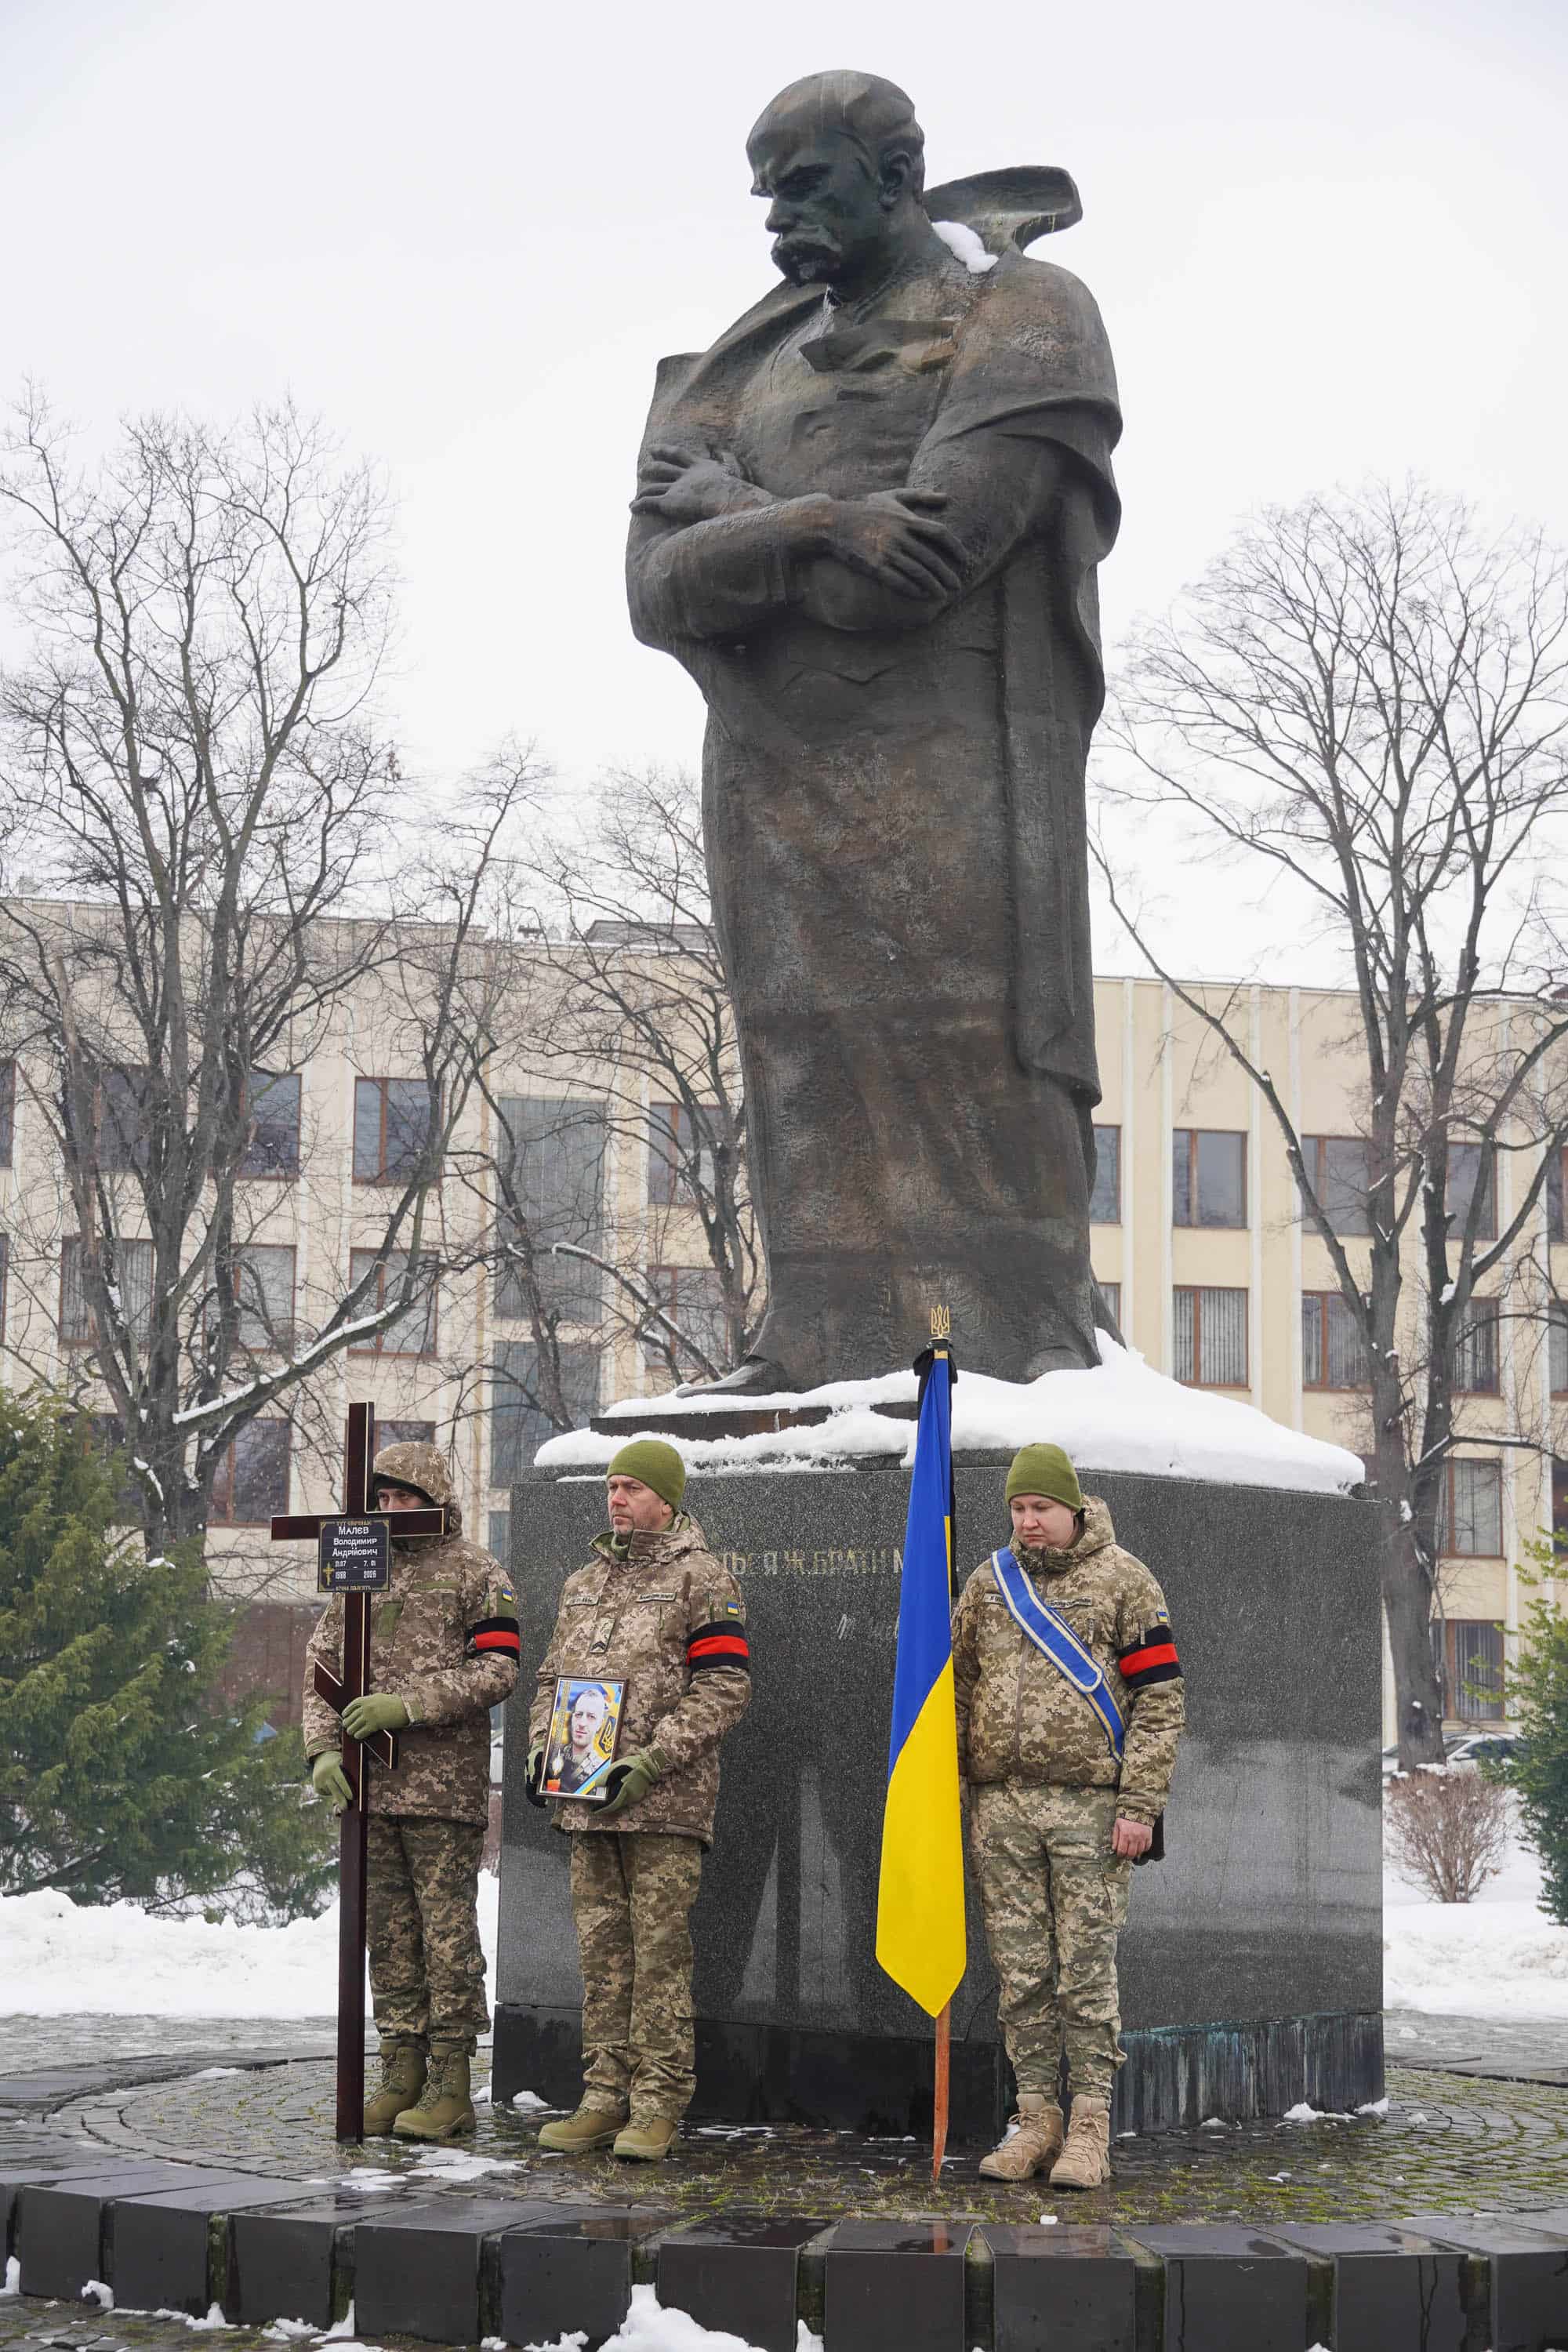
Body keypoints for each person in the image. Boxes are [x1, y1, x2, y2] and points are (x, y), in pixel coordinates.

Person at [626, 71, 1122, 1389]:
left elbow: (916, 570)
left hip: (963, 777)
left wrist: (743, 513)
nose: (774, 214)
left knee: (969, 1072)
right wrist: (815, 518)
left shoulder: (1024, 316)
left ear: (894, 172)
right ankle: (818, 1348)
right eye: (764, 188)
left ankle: (1015, 1349)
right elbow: (653, 592)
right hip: (777, 783)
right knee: (804, 1066)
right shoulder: (739, 371)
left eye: (802, 180)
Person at [952, 1443, 1184, 2187]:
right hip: (1002, 1809)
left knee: (1084, 1972)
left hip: (1091, 1811)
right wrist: (956, 1789)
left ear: (1073, 1508)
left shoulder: (1125, 1579)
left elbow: (1160, 1701)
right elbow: (956, 1691)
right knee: (1021, 1974)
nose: (1028, 1523)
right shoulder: (989, 1585)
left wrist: (1140, 1805)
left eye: (1041, 1509)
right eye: (1018, 1509)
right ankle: (1035, 2117)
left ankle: (1089, 2125)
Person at [527, 1438, 751, 2161]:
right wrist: (542, 1746)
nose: (617, 1499)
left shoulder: (703, 1579)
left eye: (631, 1488)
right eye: (611, 1487)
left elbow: (725, 1687)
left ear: (666, 1499)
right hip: (586, 1802)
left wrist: (654, 1761)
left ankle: (656, 2104)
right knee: (602, 1956)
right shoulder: (581, 1583)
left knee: (657, 1957)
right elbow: (549, 1683)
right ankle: (602, 2096)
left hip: (665, 1805)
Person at [303, 1439, 521, 2140]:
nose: (391, 1510)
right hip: (369, 1788)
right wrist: (319, 1749)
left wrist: (412, 1704)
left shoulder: (477, 1573)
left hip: (439, 1788)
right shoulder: (361, 1565)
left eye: (403, 1498)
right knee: (387, 1937)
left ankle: (451, 2082)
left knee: (446, 1934)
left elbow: (500, 1670)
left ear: (434, 1501)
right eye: (383, 1498)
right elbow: (321, 1664)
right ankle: (400, 2068)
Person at [551, 1682, 613, 1794]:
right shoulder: (555, 1756)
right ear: (572, 1717)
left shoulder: (601, 1770)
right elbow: (551, 1789)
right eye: (578, 1714)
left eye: (591, 1717)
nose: (582, 1723)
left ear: (600, 1724)